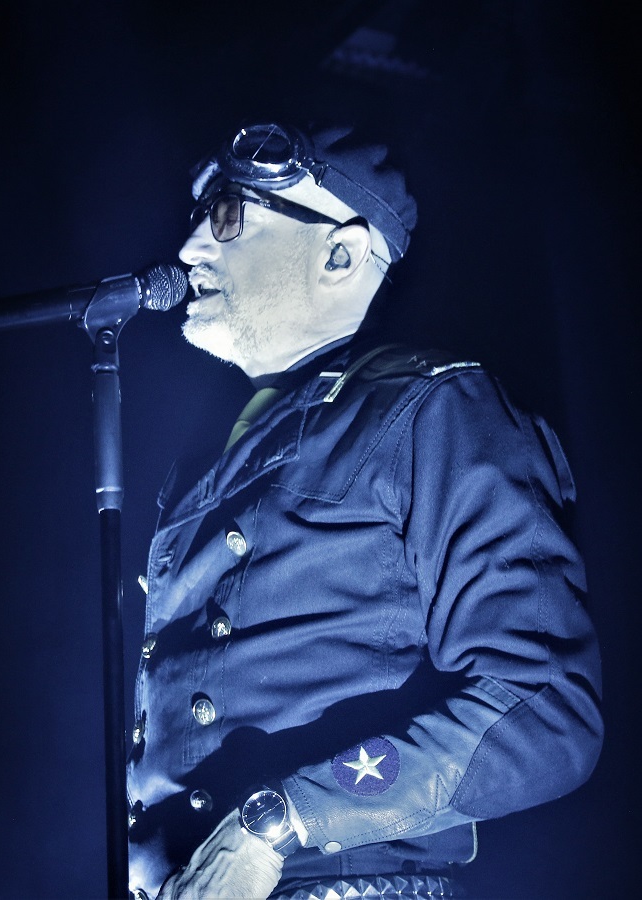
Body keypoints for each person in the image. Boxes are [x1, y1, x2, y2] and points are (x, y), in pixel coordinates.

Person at [125, 120, 604, 900]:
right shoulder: (208, 451)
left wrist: (278, 823)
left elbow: (545, 710)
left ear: (341, 255)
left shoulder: (434, 410)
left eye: (229, 217)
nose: (189, 249)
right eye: (197, 217)